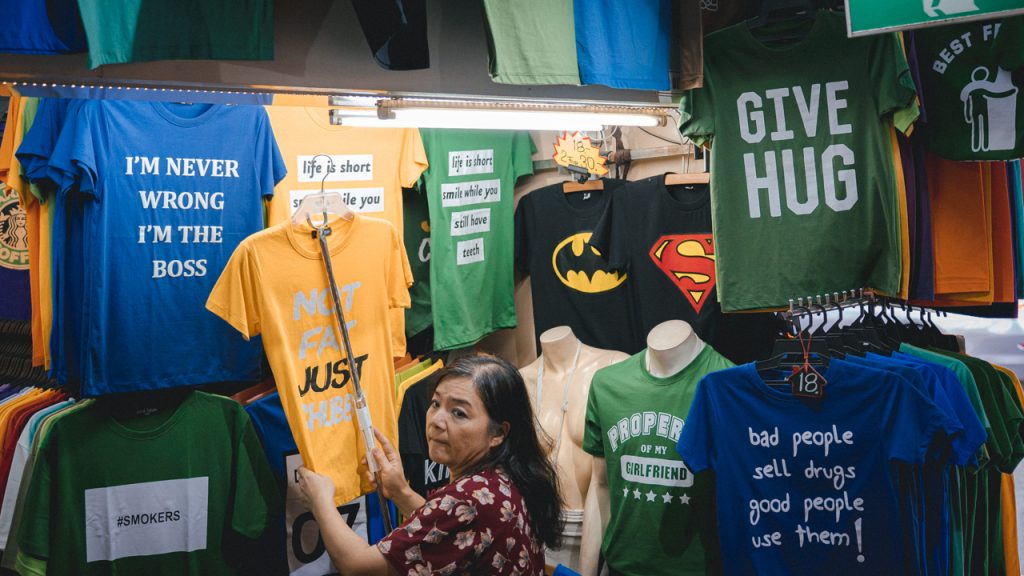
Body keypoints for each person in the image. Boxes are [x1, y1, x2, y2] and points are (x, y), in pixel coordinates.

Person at [298, 354, 564, 575]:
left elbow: (359, 567)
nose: (436, 420)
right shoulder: (507, 476)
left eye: (459, 413)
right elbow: (451, 531)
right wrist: (401, 492)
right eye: (435, 403)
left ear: (498, 433)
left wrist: (321, 501)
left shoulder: (468, 498)